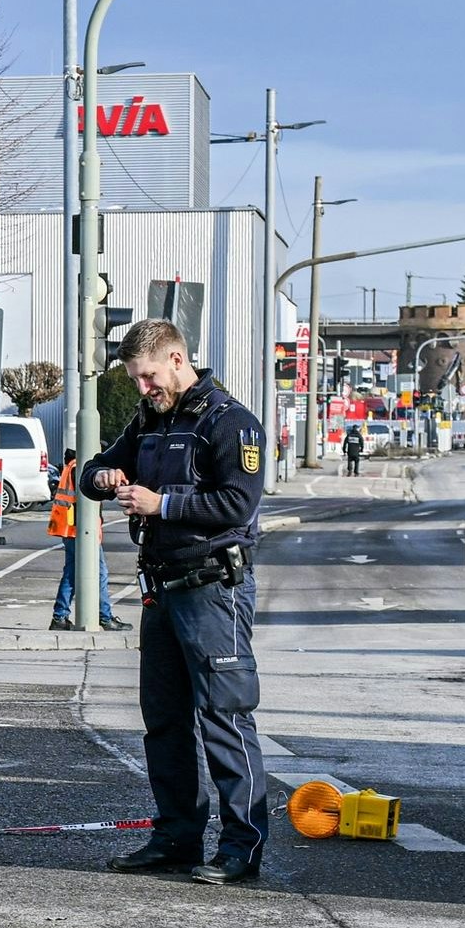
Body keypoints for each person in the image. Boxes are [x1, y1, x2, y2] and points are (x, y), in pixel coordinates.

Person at [83, 317, 273, 883]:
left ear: (176, 358)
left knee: (224, 717)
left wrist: (160, 504)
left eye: (147, 377)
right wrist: (106, 478)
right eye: (136, 380)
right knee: (164, 721)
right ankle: (176, 837)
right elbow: (94, 468)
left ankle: (243, 844)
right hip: (162, 590)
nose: (142, 389)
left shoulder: (230, 423)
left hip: (213, 589)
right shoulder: (149, 421)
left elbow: (237, 504)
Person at [35, 382, 117, 629]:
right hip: (77, 529)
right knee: (97, 573)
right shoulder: (79, 467)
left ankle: (60, 617)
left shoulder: (72, 465)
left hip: (70, 527)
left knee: (73, 572)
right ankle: (103, 616)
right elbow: (86, 500)